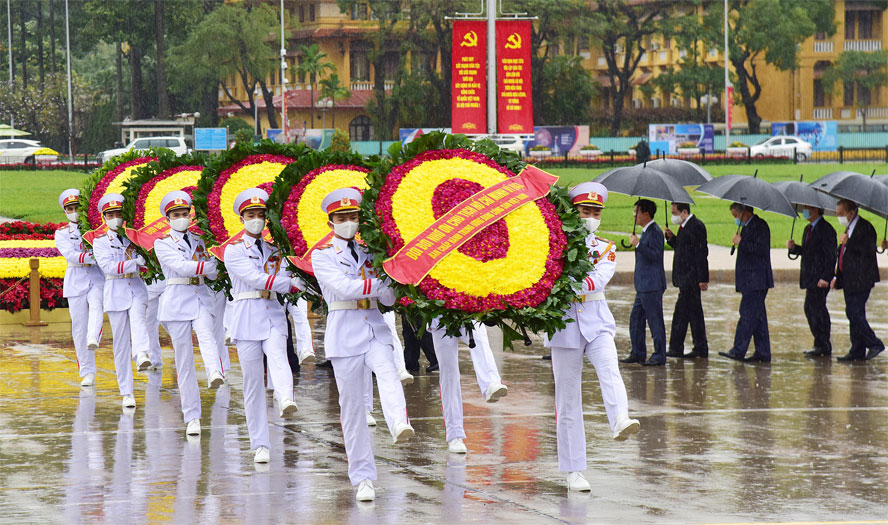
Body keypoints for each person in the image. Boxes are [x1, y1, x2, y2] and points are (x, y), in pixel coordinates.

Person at [312, 187, 414, 502]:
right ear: (331, 222)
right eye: (341, 218)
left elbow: (387, 298)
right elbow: (343, 288)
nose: (348, 223)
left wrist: (391, 277)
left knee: (388, 370)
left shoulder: (373, 252)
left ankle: (399, 422)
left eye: (353, 217)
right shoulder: (323, 255)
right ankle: (363, 478)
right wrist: (382, 279)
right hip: (344, 335)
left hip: (374, 327)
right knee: (352, 410)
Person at [547, 182, 640, 492]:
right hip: (564, 326)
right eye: (585, 211)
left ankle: (620, 419)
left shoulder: (605, 247)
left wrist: (568, 283)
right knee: (568, 399)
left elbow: (598, 279)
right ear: (573, 211)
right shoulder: (553, 243)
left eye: (596, 212)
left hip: (597, 321)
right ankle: (574, 470)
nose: (591, 217)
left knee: (609, 368)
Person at [224, 188, 304, 463]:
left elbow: (284, 272)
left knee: (280, 356)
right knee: (253, 382)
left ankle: (285, 398)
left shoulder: (275, 250)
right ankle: (260, 443)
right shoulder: (232, 250)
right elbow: (254, 277)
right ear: (242, 217)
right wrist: (288, 283)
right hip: (246, 316)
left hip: (272, 311)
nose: (256, 219)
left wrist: (292, 280)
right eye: (251, 215)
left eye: (260, 215)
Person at [153, 191, 226, 436]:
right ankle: (191, 416)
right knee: (183, 362)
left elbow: (215, 272)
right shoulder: (161, 243)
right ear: (168, 218)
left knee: (207, 333)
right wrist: (209, 265)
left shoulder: (200, 240)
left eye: (185, 214)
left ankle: (214, 371)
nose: (182, 218)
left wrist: (213, 266)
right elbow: (182, 266)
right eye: (176, 215)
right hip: (176, 302)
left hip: (201, 296)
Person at [92, 193, 151, 409]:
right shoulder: (100, 242)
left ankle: (142, 353)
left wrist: (145, 262)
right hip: (115, 291)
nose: (116, 217)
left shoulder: (134, 237)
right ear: (104, 217)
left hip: (136, 287)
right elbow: (108, 267)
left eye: (119, 213)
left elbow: (148, 260)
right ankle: (126, 391)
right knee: (120, 344)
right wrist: (135, 263)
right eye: (111, 214)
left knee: (138, 319)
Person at [430, 321, 508, 453]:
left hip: (470, 311)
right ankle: (454, 435)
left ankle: (491, 383)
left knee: (480, 340)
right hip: (440, 318)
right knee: (449, 374)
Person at [54, 189, 105, 387]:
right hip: (76, 279)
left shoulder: (97, 230)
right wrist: (98, 257)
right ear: (65, 211)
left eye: (77, 208)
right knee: (78, 328)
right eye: (70, 209)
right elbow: (71, 255)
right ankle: (87, 371)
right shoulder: (62, 233)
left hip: (96, 278)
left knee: (96, 307)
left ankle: (94, 336)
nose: (74, 211)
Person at [719, 203, 773, 363]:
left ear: (745, 213)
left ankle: (738, 350)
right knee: (758, 318)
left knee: (747, 315)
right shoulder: (748, 226)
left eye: (736, 216)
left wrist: (741, 242)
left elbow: (760, 250)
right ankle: (763, 353)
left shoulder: (760, 226)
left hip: (757, 280)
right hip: (750, 280)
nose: (736, 220)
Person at [832, 199, 883, 361]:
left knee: (853, 312)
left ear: (851, 212)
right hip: (849, 279)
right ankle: (857, 350)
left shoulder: (865, 228)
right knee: (855, 313)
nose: (839, 217)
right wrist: (836, 276)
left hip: (862, 279)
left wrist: (850, 243)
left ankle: (874, 343)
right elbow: (843, 255)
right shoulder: (848, 228)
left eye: (841, 214)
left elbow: (867, 251)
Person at [621, 199, 667, 366]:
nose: (634, 216)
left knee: (655, 321)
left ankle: (659, 355)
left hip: (652, 285)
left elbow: (655, 255)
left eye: (636, 212)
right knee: (636, 320)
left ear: (646, 214)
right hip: (643, 286)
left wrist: (638, 244)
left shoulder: (655, 232)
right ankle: (638, 352)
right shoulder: (646, 231)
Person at [787, 205, 836, 357]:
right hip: (810, 276)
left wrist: (826, 277)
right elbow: (809, 252)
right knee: (812, 309)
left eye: (807, 209)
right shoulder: (808, 229)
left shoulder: (826, 229)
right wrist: (794, 248)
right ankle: (820, 343)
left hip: (820, 278)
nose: (804, 212)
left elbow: (830, 256)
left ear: (815, 210)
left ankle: (823, 344)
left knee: (815, 308)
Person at [664, 202, 710, 359]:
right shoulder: (685, 226)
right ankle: (700, 347)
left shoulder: (695, 226)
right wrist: (671, 239)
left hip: (691, 279)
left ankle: (678, 347)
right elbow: (683, 248)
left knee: (681, 314)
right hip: (686, 278)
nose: (673, 216)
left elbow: (700, 253)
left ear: (684, 212)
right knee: (693, 314)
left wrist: (703, 279)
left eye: (675, 212)